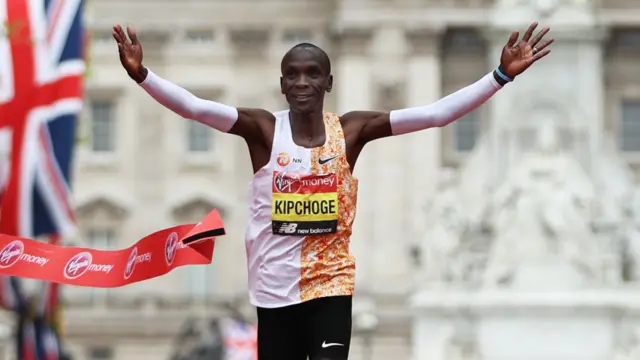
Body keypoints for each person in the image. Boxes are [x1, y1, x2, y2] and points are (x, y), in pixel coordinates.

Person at [112, 22, 553, 360]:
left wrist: (499, 75)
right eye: (292, 75)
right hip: (274, 289)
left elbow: (435, 114)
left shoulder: (352, 130)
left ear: (328, 82)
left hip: (331, 284)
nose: (301, 82)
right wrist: (142, 75)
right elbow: (195, 108)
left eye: (311, 74)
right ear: (282, 84)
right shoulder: (264, 131)